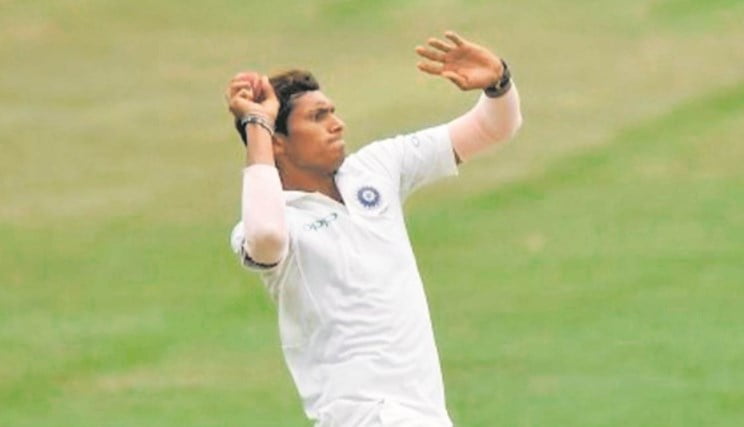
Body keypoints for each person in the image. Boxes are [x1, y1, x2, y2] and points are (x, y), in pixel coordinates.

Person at [225, 31, 522, 427]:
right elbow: (266, 237)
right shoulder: (272, 222)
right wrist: (256, 123)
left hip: (424, 415)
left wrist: (498, 82)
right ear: (277, 142)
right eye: (317, 117)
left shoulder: (376, 168)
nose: (337, 124)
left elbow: (493, 128)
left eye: (332, 112)